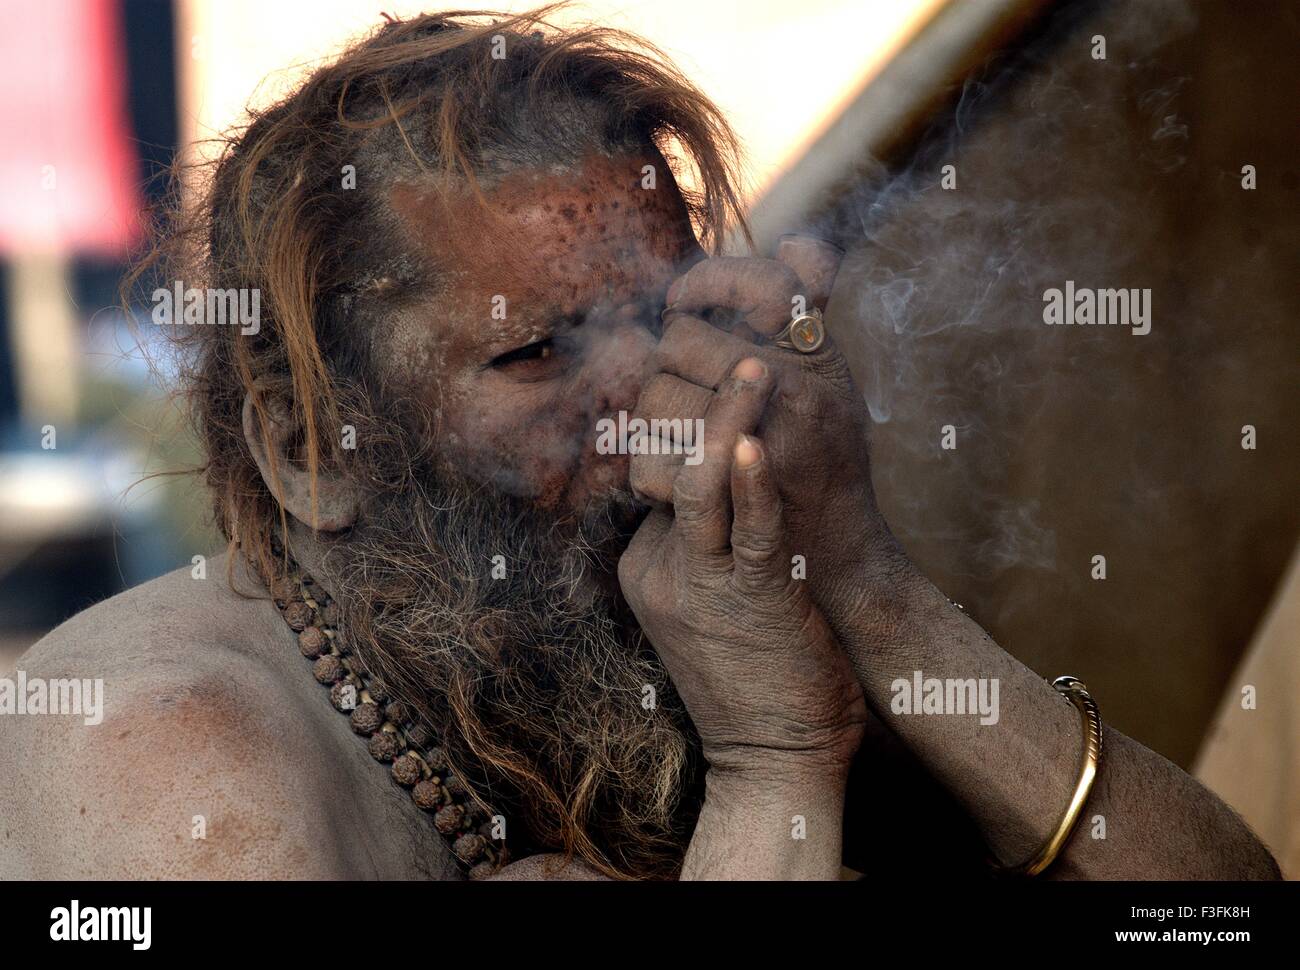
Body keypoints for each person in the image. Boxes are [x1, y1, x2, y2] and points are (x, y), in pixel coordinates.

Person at [0, 9, 1278, 881]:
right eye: (533, 357)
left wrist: (876, 593)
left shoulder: (683, 622)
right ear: (311, 450)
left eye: (661, 319)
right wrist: (773, 771)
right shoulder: (166, 757)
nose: (658, 413)